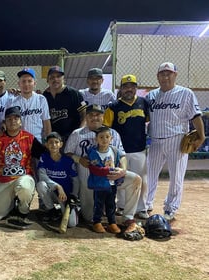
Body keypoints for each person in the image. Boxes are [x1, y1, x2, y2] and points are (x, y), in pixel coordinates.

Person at [64, 104, 141, 232]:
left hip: (111, 176)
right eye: (91, 115)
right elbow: (67, 152)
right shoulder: (77, 134)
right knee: (88, 217)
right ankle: (85, 209)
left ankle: (127, 217)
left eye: (98, 114)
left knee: (136, 179)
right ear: (86, 117)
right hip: (89, 179)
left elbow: (122, 155)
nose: (95, 117)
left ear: (103, 116)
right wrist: (79, 159)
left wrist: (123, 170)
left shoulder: (113, 133)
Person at [145, 62, 205, 221]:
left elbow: (196, 116)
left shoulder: (186, 93)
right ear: (157, 76)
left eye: (169, 73)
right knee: (149, 175)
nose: (165, 76)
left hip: (177, 140)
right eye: (162, 74)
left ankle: (170, 208)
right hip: (155, 140)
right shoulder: (151, 95)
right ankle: (146, 203)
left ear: (175, 75)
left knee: (176, 177)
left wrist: (202, 136)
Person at [0, 106, 46, 229]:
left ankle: (22, 212)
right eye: (9, 119)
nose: (13, 121)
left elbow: (44, 154)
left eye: (16, 118)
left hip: (23, 177)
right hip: (3, 181)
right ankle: (11, 204)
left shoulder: (29, 138)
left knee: (25, 187)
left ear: (21, 121)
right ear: (4, 122)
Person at [103, 74, 150, 219]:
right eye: (125, 87)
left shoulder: (143, 103)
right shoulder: (113, 107)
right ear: (121, 89)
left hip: (139, 148)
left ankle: (142, 207)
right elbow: (106, 128)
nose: (129, 89)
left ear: (136, 88)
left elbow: (147, 120)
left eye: (132, 86)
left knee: (141, 179)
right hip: (120, 151)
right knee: (121, 179)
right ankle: (122, 205)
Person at [87, 126, 123, 234]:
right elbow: (94, 169)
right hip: (99, 184)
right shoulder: (93, 152)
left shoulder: (114, 151)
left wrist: (119, 174)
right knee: (98, 204)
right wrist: (109, 170)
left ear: (111, 138)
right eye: (101, 137)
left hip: (112, 184)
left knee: (111, 204)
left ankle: (112, 222)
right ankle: (97, 222)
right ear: (96, 139)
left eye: (107, 137)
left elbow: (120, 163)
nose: (104, 140)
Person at [36, 131, 77, 221]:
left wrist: (73, 195)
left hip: (64, 196)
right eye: (50, 142)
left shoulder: (68, 160)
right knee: (41, 185)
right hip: (52, 192)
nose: (53, 145)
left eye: (56, 142)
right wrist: (57, 186)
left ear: (61, 144)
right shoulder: (44, 157)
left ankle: (75, 209)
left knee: (71, 223)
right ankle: (52, 210)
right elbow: (42, 176)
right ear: (46, 145)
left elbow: (76, 180)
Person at [6, 67, 51, 143]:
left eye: (29, 81)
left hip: (37, 141)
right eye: (23, 81)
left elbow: (46, 122)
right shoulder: (12, 101)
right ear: (19, 84)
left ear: (35, 83)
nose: (26, 84)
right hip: (18, 142)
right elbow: (7, 123)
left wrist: (49, 141)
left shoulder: (41, 99)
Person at [43, 66, 86, 142]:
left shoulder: (74, 93)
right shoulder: (45, 96)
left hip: (72, 137)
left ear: (63, 79)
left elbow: (85, 115)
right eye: (52, 77)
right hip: (53, 140)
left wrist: (79, 133)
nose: (55, 79)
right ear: (47, 80)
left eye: (58, 76)